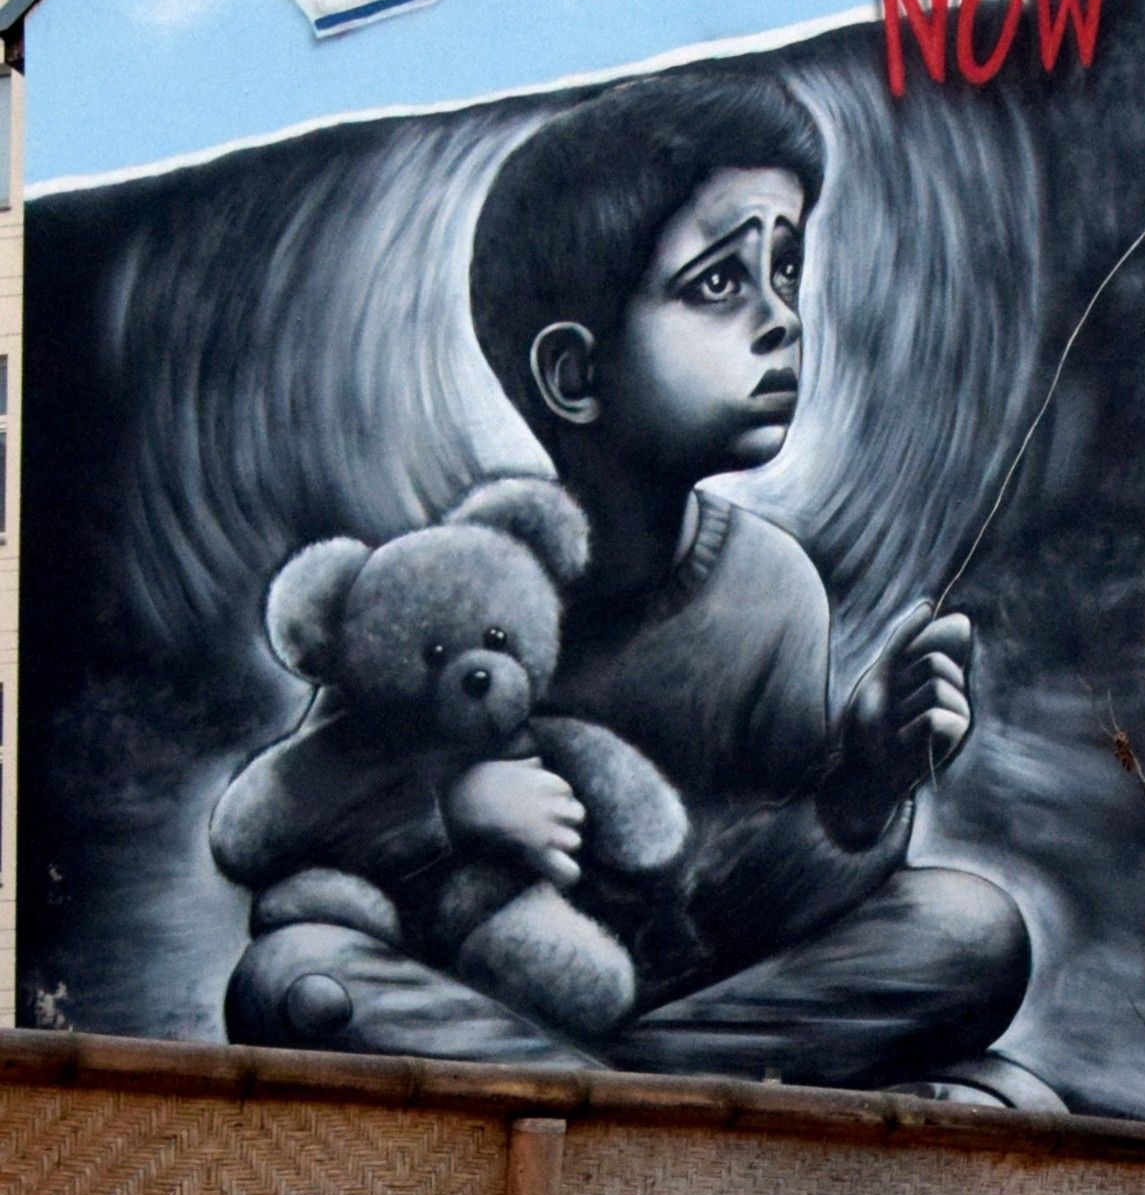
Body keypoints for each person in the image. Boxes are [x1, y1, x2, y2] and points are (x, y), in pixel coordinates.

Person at [225, 68, 1047, 1104]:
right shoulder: (448, 586)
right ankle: (697, 1105)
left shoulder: (773, 589)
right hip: (474, 976)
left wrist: (858, 786)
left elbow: (744, 912)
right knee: (295, 976)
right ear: (574, 373)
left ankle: (601, 1097)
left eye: (784, 271)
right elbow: (288, 820)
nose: (780, 319)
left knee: (970, 930)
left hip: (663, 995)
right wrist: (450, 811)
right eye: (717, 284)